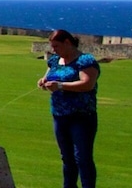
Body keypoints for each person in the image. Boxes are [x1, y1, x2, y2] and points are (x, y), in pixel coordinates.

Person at [40, 29, 100, 188]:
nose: (54, 50)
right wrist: (44, 82)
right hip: (59, 116)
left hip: (81, 116)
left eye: (57, 46)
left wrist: (60, 86)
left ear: (67, 42)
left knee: (82, 158)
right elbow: (49, 77)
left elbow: (87, 84)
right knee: (67, 158)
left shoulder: (85, 61)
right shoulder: (54, 61)